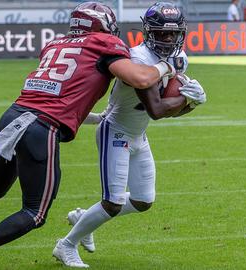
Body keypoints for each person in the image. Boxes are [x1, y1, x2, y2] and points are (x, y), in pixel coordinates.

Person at [0, 2, 177, 270]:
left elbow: (61, 94)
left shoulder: (55, 44)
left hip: (14, 115)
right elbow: (141, 79)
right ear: (103, 27)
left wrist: (93, 118)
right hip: (40, 127)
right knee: (35, 212)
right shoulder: (104, 44)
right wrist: (166, 66)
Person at [52, 2, 207, 268]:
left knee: (143, 200)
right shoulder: (137, 59)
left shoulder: (179, 58)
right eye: (161, 33)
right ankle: (65, 245)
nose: (168, 38)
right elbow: (157, 109)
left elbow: (169, 112)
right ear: (148, 32)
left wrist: (190, 105)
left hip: (138, 135)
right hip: (115, 132)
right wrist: (188, 100)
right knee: (111, 204)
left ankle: (83, 218)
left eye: (172, 33)